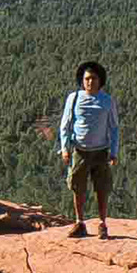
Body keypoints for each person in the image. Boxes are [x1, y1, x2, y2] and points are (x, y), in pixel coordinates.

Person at [55, 58, 120, 238]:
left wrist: (114, 151)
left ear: (100, 81)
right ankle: (79, 222)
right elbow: (65, 125)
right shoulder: (74, 98)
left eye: (94, 78)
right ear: (82, 81)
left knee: (102, 188)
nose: (90, 82)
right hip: (80, 151)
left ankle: (102, 224)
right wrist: (65, 148)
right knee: (78, 187)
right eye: (87, 79)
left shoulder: (107, 101)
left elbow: (114, 127)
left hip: (101, 151)